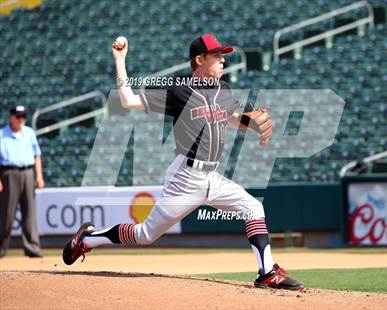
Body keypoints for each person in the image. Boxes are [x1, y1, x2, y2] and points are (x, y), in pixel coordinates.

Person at [63, 34, 303, 291]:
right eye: (217, 56)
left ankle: (267, 272)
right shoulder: (178, 91)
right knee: (145, 235)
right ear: (199, 60)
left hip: (213, 177)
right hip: (186, 178)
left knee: (253, 208)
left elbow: (231, 117)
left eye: (223, 55)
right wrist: (120, 60)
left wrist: (251, 123)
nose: (223, 60)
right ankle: (87, 240)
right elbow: (128, 100)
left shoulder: (223, 89)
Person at [0, 106, 44, 257]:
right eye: (18, 116)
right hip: (8, 173)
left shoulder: (29, 133)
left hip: (27, 172)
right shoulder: (1, 134)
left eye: (23, 116)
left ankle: (32, 247)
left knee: (29, 212)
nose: (21, 119)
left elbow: (37, 155)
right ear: (11, 117)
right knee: (6, 213)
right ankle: (1, 247)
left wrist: (39, 176)